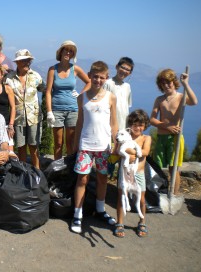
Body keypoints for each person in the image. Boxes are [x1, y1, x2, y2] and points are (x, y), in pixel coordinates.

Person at [71, 61, 118, 233]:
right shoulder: (82, 97)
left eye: (101, 77)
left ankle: (100, 210)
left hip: (104, 146)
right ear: (90, 75)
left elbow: (114, 123)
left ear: (106, 78)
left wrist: (116, 143)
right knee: (82, 179)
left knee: (102, 178)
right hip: (86, 145)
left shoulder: (111, 97)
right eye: (95, 76)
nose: (98, 80)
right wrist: (75, 144)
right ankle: (77, 214)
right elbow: (80, 122)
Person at [150, 69, 198, 195]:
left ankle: (173, 195)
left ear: (174, 82)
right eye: (163, 83)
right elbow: (152, 119)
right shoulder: (159, 99)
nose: (166, 85)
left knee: (174, 169)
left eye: (168, 82)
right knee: (157, 167)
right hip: (161, 137)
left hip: (175, 139)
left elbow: (194, 101)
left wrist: (186, 84)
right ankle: (158, 193)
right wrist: (166, 127)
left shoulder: (181, 97)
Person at [45, 40, 91, 159]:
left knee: (71, 143)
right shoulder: (52, 70)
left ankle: (70, 170)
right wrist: (49, 111)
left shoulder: (75, 69)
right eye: (66, 50)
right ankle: (57, 170)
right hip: (57, 111)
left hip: (73, 109)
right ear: (61, 51)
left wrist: (81, 94)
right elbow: (48, 91)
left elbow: (89, 82)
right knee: (58, 144)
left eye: (71, 51)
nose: (68, 53)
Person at [5, 49, 46, 169]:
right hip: (18, 118)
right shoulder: (9, 78)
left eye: (28, 60)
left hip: (34, 117)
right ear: (17, 62)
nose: (27, 63)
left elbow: (45, 89)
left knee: (33, 146)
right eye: (23, 60)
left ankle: (37, 171)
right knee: (21, 147)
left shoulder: (36, 76)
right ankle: (23, 171)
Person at [114, 109, 151, 238]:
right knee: (121, 197)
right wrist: (133, 152)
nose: (137, 127)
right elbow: (118, 150)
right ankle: (120, 222)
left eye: (141, 125)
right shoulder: (124, 136)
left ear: (145, 126)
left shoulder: (146, 138)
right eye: (134, 124)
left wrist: (132, 154)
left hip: (139, 174)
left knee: (141, 199)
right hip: (124, 173)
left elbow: (145, 152)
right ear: (130, 125)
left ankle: (142, 222)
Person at [103, 57, 134, 131]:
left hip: (124, 127)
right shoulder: (108, 83)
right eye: (122, 68)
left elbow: (127, 107)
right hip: (109, 126)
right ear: (117, 67)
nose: (124, 71)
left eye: (127, 70)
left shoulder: (127, 87)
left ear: (130, 73)